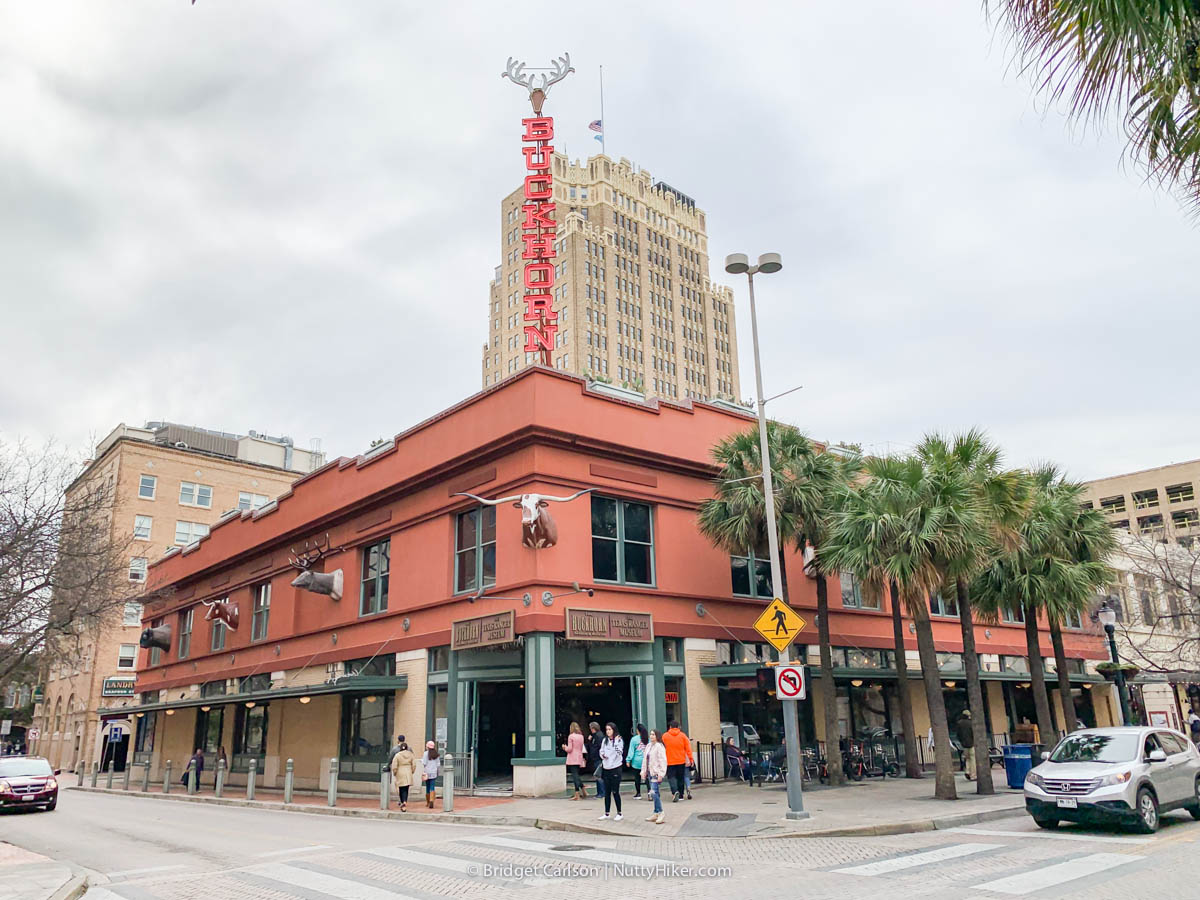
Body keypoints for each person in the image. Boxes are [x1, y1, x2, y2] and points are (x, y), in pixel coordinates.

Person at [661, 720, 694, 801]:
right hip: (681, 760)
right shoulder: (683, 736)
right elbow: (688, 749)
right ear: (678, 727)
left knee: (671, 777)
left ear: (670, 727)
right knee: (680, 777)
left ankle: (675, 791)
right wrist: (691, 759)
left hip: (669, 761)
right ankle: (681, 795)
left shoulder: (665, 736)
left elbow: (661, 747)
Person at [597, 722, 624, 821]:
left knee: (615, 791)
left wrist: (616, 742)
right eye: (607, 729)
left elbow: (620, 752)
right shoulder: (605, 740)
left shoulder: (619, 739)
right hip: (606, 768)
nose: (608, 731)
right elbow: (601, 751)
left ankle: (619, 813)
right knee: (607, 792)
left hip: (615, 768)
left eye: (610, 729)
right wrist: (603, 755)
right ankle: (607, 813)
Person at [640, 728, 668, 825]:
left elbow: (663, 761)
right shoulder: (648, 746)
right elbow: (645, 760)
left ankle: (660, 812)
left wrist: (661, 773)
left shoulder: (659, 747)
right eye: (650, 734)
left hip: (656, 773)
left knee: (654, 792)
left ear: (657, 736)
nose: (651, 736)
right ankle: (656, 812)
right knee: (653, 792)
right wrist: (643, 771)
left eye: (653, 734)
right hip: (649, 773)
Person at [390, 739, 417, 811]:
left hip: (400, 772)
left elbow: (394, 765)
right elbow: (414, 764)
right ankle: (405, 801)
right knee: (406, 788)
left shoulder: (397, 755)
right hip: (408, 772)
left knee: (401, 788)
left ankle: (402, 802)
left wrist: (395, 772)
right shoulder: (411, 755)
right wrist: (412, 771)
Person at [562, 722, 587, 800]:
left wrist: (564, 747)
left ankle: (577, 794)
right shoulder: (581, 736)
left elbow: (570, 749)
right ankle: (583, 790)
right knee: (577, 775)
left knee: (575, 776)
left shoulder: (571, 736)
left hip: (572, 757)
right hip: (579, 756)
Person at [626, 724, 647, 799]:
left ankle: (638, 793)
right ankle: (649, 792)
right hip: (646, 761)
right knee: (647, 777)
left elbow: (631, 751)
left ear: (637, 730)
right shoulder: (648, 738)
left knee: (637, 778)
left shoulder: (634, 739)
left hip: (636, 762)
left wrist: (628, 760)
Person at [955, 710, 976, 781]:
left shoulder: (959, 723)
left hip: (964, 744)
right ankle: (973, 775)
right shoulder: (971, 723)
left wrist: (962, 742)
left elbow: (958, 734)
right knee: (973, 759)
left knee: (967, 758)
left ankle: (967, 771)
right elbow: (973, 733)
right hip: (972, 743)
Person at [587, 721, 605, 800]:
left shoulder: (598, 736)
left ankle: (601, 793)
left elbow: (598, 747)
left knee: (599, 775)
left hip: (598, 758)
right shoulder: (596, 736)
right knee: (598, 775)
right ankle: (600, 792)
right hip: (596, 758)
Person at [420, 741, 440, 808]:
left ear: (428, 747)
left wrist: (421, 761)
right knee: (432, 786)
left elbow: (424, 763)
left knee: (427, 786)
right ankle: (432, 800)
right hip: (434, 772)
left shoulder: (426, 754)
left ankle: (428, 802)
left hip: (427, 772)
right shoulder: (436, 754)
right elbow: (438, 764)